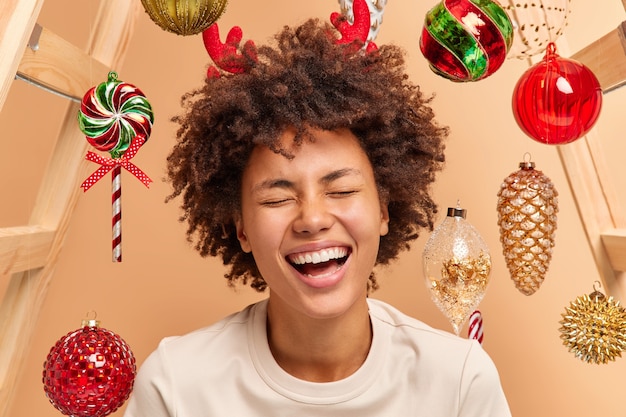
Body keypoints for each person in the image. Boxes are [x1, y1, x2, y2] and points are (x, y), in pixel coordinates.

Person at [123, 15, 511, 417]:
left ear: (383, 209)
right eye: (277, 199)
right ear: (241, 229)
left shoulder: (460, 380)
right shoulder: (175, 385)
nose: (312, 218)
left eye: (341, 190)